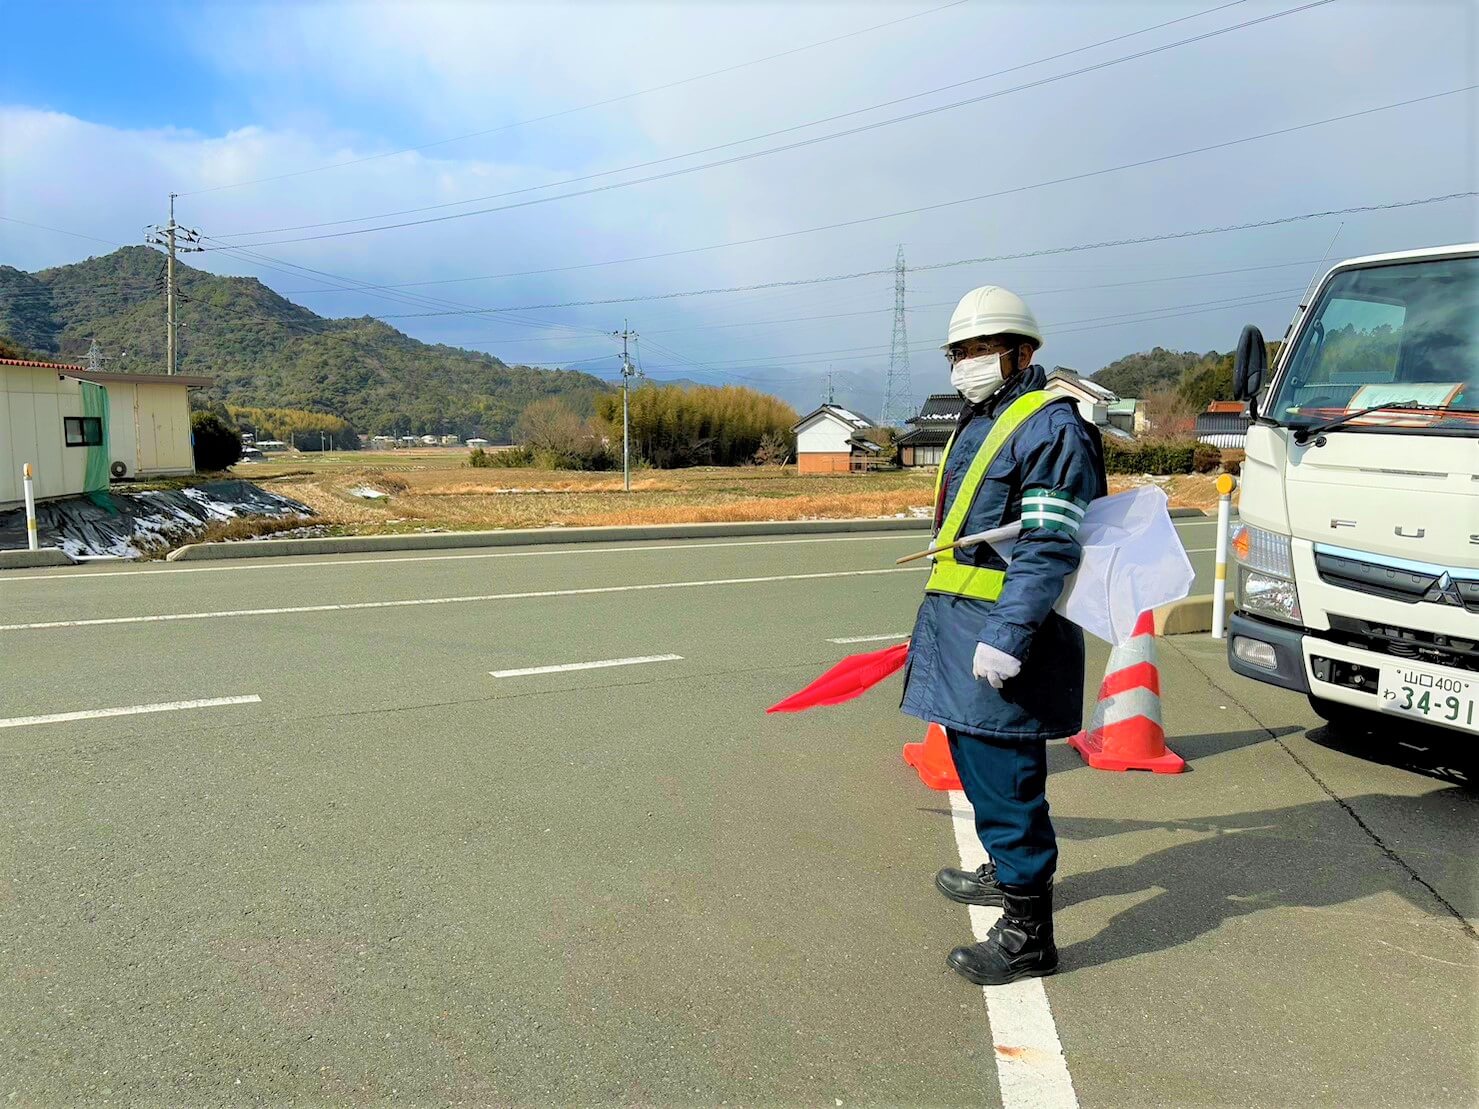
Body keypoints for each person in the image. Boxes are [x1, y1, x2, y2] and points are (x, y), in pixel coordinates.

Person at [900, 285, 1107, 986]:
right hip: (963, 626)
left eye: (979, 348)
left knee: (1008, 778)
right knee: (980, 763)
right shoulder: (983, 416)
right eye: (958, 351)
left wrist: (1010, 634)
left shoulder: (1050, 426)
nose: (965, 362)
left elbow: (1050, 543)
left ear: (1022, 352)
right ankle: (1002, 872)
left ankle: (1028, 933)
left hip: (1001, 634)